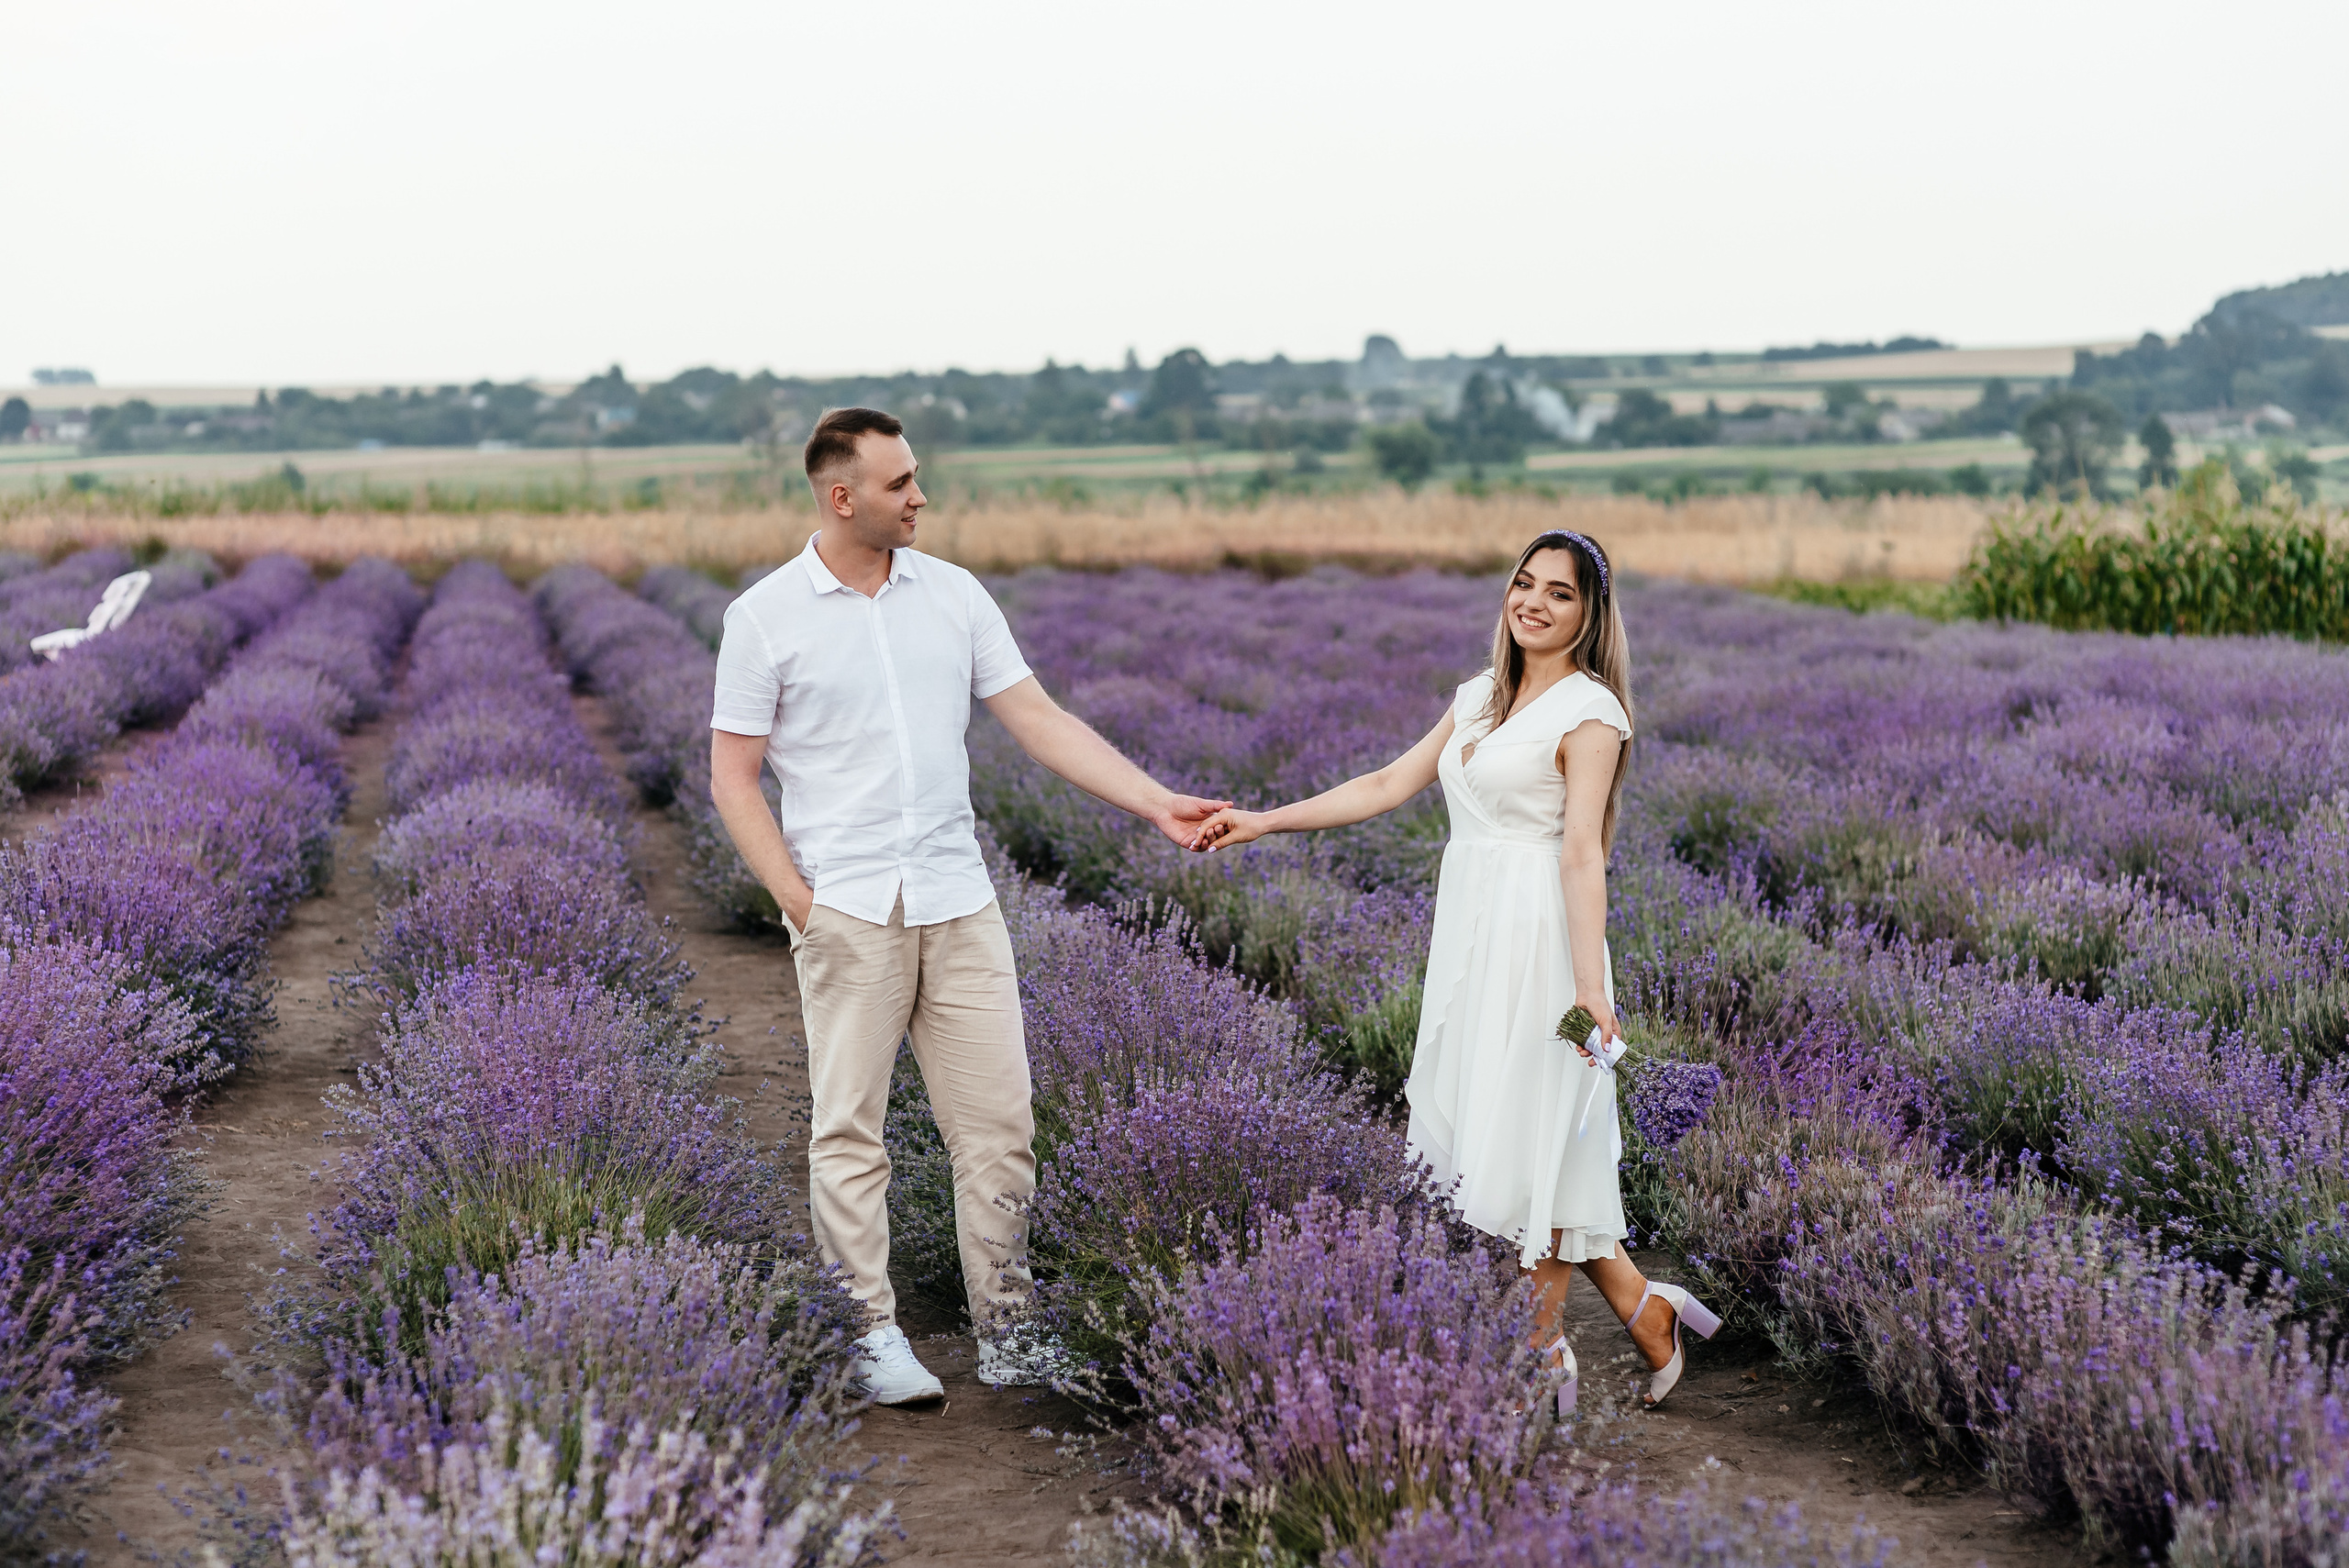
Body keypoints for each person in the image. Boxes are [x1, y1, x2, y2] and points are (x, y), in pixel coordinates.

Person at [707, 406, 1229, 1405]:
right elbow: (733, 778)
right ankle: (868, 1332)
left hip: (957, 895)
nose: (920, 496)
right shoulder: (764, 616)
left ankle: (1011, 1330)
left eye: (917, 478)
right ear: (842, 494)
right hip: (847, 905)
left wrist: (1155, 800)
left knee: (998, 1125)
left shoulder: (953, 595)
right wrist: (796, 898)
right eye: (901, 482)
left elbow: (1037, 717)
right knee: (849, 1132)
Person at [1190, 531, 1718, 1411]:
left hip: (1544, 944)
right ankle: (1644, 1305)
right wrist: (1263, 820)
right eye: (1524, 583)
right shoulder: (1480, 696)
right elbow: (1385, 784)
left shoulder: (1591, 713)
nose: (1535, 603)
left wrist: (1589, 986)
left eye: (1561, 592)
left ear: (1590, 615)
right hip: (1473, 937)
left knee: (1538, 1137)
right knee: (1516, 1134)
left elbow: (1583, 853)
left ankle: (1541, 1355)